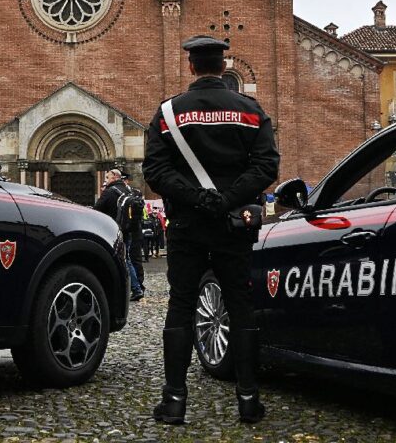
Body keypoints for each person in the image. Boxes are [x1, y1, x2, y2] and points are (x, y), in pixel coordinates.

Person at [143, 35, 280, 425]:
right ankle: (249, 400)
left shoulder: (169, 113)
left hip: (187, 224)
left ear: (191, 67)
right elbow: (266, 166)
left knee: (182, 306)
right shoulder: (251, 111)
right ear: (223, 67)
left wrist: (196, 198)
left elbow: (155, 170)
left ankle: (174, 401)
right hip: (233, 225)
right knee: (240, 306)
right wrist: (227, 198)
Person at [93, 168, 145, 301]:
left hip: (113, 230)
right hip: (129, 229)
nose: (106, 180)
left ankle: (134, 288)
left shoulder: (109, 192)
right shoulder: (129, 190)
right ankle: (132, 287)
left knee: (121, 259)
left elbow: (97, 209)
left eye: (108, 177)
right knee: (126, 258)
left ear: (115, 177)